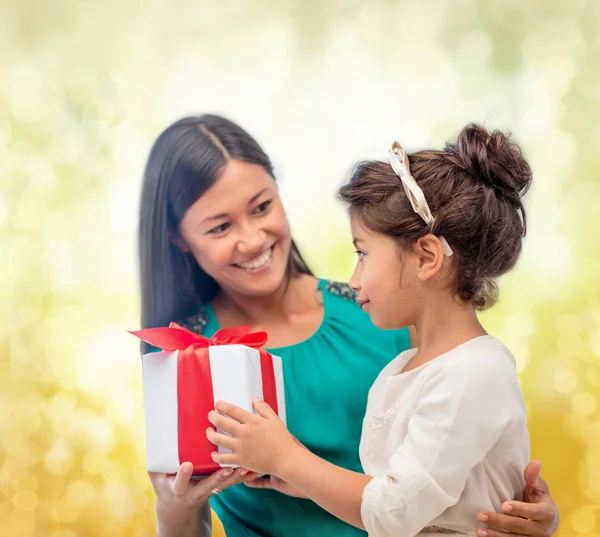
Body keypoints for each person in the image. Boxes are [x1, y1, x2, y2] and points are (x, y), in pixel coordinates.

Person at [138, 115, 560, 537]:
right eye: (220, 226)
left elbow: (466, 455)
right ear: (180, 238)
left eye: (262, 207)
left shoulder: (387, 312)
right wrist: (172, 510)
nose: (251, 239)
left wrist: (523, 513)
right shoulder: (187, 358)